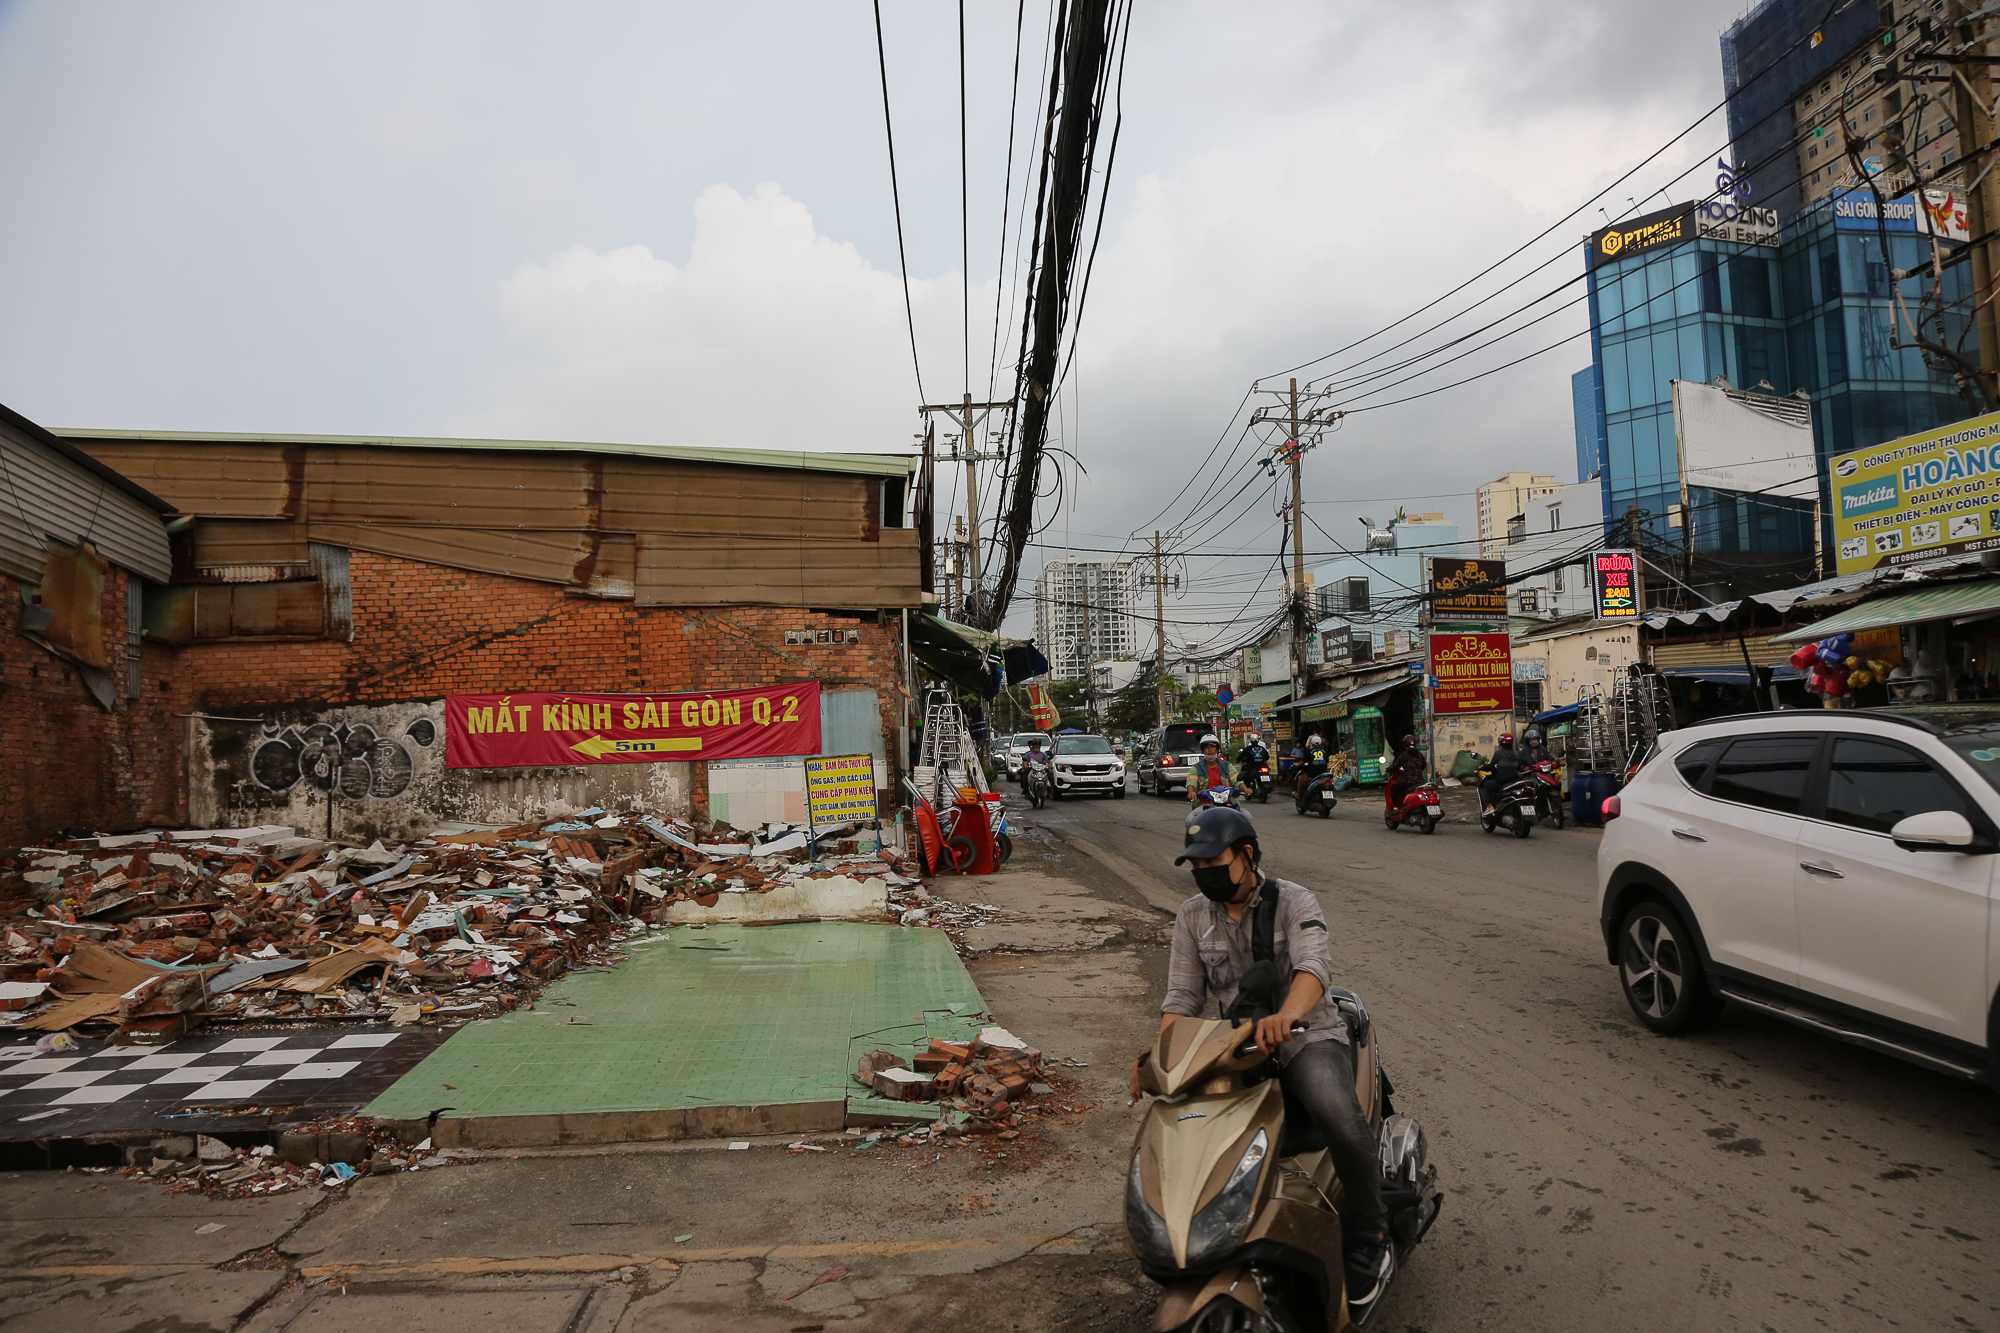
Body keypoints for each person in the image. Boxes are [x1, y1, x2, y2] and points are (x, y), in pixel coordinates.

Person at [1136, 806, 1393, 1312]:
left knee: (1335, 1113)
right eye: (1195, 865)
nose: (1202, 872)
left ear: (1247, 855)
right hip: (1232, 1047)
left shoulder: (1295, 900)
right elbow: (1182, 1000)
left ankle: (1370, 1228)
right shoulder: (1192, 915)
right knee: (1180, 1126)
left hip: (1305, 1036)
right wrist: (1160, 1058)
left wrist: (1288, 1015)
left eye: (1212, 861)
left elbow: (1312, 965)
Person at [1185, 733, 1236, 804]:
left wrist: (1245, 789)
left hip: (1227, 805)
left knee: (1244, 814)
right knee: (1192, 816)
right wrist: (1191, 792)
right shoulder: (1196, 768)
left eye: (1212, 746)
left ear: (1217, 749)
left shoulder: (1227, 766)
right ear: (1202, 750)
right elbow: (1191, 782)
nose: (1210, 750)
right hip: (1203, 807)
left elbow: (1237, 781)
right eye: (1206, 747)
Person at [1481, 731, 1521, 814]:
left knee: (1487, 785)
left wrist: (1483, 767)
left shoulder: (1498, 753)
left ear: (1500, 743)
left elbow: (1490, 766)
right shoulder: (1516, 753)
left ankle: (1490, 806)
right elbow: (1520, 766)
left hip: (1502, 781)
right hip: (1515, 781)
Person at [1385, 734, 1426, 815]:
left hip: (1408, 782)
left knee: (1393, 788)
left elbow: (1396, 767)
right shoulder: (1419, 754)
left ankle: (1396, 808)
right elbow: (1423, 766)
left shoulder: (1404, 755)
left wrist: (1389, 769)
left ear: (1405, 745)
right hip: (1420, 782)